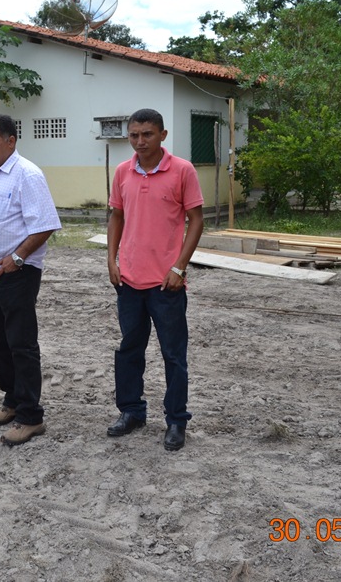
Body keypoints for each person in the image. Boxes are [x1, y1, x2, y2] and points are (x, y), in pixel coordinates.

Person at [106, 108, 205, 451]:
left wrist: (179, 267)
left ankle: (176, 420)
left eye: (147, 134)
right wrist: (111, 259)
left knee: (173, 354)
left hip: (167, 284)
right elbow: (116, 216)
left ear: (162, 135)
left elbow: (196, 220)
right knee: (129, 349)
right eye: (134, 135)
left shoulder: (182, 170)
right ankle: (131, 411)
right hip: (129, 281)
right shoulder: (122, 171)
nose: (139, 141)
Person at [0, 114, 61, 446]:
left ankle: (30, 417)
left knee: (21, 343)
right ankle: (12, 400)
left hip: (17, 272)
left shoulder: (27, 175)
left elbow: (46, 223)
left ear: (11, 140)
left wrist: (17, 257)